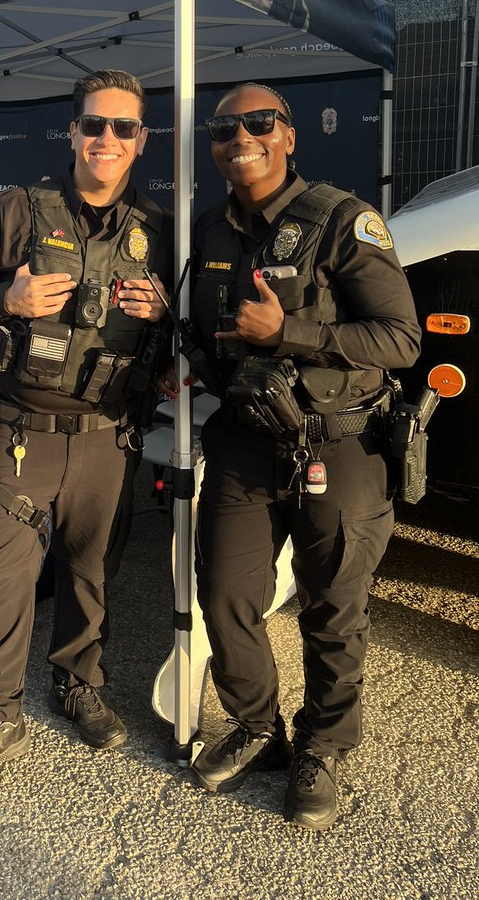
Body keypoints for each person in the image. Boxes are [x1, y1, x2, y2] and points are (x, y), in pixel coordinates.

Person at [171, 82, 420, 831]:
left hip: (336, 444)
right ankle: (257, 728)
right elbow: (207, 333)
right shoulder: (209, 230)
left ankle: (323, 748)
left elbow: (401, 339)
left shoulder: (345, 221)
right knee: (225, 596)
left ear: (288, 136)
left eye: (258, 123)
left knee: (332, 607)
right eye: (223, 128)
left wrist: (295, 334)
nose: (239, 136)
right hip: (245, 441)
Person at [0, 69, 173, 795]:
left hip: (106, 435)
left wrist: (163, 312)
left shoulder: (157, 233)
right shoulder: (16, 209)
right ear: (73, 132)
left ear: (140, 140)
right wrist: (1, 295)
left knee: (90, 572)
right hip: (17, 434)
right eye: (94, 125)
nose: (107, 139)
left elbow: (173, 341)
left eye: (122, 128)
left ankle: (76, 683)